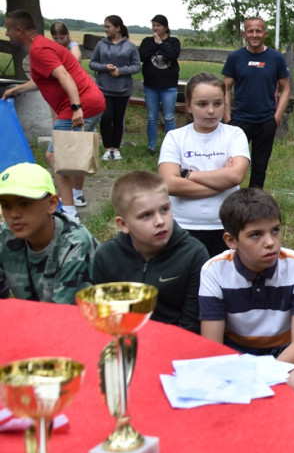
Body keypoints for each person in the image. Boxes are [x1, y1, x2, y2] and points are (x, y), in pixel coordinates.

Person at [198, 188, 294, 414]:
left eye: (275, 231)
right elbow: (212, 345)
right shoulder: (214, 271)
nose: (270, 242)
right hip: (236, 350)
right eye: (256, 235)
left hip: (286, 349)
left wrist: (260, 376)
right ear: (231, 240)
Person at [2, 9, 106, 221]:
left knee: (56, 156)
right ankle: (76, 195)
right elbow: (45, 80)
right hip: (92, 100)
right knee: (74, 152)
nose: (6, 34)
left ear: (20, 30)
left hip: (79, 103)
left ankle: (69, 212)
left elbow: (64, 76)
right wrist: (16, 90)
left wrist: (76, 107)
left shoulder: (40, 49)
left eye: (8, 29)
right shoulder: (41, 46)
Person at [92, 171, 209, 333]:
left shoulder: (194, 254)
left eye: (164, 210)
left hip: (175, 345)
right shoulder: (106, 255)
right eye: (146, 215)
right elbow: (102, 314)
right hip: (123, 340)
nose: (160, 221)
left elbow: (192, 322)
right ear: (123, 224)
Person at [158, 72, 250, 258]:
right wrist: (222, 178)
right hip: (183, 226)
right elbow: (170, 185)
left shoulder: (235, 134)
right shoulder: (175, 137)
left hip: (226, 225)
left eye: (217, 103)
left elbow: (235, 177)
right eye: (202, 104)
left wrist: (189, 174)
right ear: (189, 106)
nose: (211, 110)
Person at [0, 162, 97, 304]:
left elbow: (62, 317)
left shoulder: (75, 244)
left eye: (25, 203)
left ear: (52, 204)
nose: (14, 214)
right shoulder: (5, 236)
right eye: (6, 206)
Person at [221, 16, 290, 189]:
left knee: (259, 168)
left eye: (258, 31)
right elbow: (226, 88)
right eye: (250, 31)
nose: (254, 34)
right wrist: (228, 118)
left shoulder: (276, 58)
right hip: (239, 122)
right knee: (232, 165)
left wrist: (277, 117)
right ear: (244, 33)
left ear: (265, 33)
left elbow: (285, 88)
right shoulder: (235, 57)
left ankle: (254, 204)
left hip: (266, 121)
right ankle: (230, 200)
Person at [90, 14, 141, 161]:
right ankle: (107, 148)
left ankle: (116, 149)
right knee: (106, 118)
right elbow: (92, 63)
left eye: (108, 26)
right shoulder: (101, 44)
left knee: (118, 119)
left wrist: (120, 71)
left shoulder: (130, 46)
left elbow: (137, 66)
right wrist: (104, 67)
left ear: (118, 28)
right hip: (103, 87)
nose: (105, 29)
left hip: (123, 89)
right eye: (104, 27)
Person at [48, 22, 86, 206]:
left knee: (76, 149)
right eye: (55, 39)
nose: (58, 41)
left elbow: (75, 58)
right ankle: (66, 189)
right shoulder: (51, 48)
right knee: (58, 148)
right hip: (59, 96)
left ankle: (76, 192)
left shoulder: (72, 46)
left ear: (67, 35)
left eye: (61, 38)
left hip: (74, 95)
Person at [139, 14, 181, 156]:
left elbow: (173, 55)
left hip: (169, 86)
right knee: (152, 117)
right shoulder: (147, 41)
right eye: (154, 25)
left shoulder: (173, 41)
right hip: (151, 86)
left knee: (169, 117)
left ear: (165, 27)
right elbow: (141, 56)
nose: (155, 28)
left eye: (158, 25)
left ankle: (171, 148)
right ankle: (152, 146)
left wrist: (161, 44)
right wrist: (155, 44)